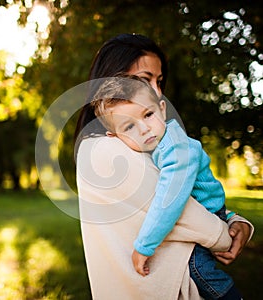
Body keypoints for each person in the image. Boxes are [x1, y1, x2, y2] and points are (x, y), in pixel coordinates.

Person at [75, 33, 254, 299]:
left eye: (159, 81)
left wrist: (237, 222)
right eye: (144, 79)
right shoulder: (103, 149)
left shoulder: (148, 140)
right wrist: (227, 237)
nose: (157, 90)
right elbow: (180, 210)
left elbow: (189, 189)